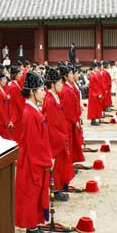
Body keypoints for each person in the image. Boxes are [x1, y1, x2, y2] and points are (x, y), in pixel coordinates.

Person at [15, 71, 52, 233]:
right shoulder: (29, 113)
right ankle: (31, 230)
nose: (44, 92)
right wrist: (46, 161)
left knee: (37, 194)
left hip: (37, 160)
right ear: (32, 92)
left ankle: (36, 226)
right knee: (32, 194)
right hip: (32, 162)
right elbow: (34, 143)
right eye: (41, 89)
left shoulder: (33, 109)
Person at [43, 67, 71, 201]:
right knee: (56, 167)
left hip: (60, 136)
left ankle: (58, 188)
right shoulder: (50, 100)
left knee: (60, 166)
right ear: (53, 85)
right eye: (60, 83)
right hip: (55, 139)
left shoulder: (55, 97)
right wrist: (61, 139)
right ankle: (54, 189)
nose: (62, 85)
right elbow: (52, 125)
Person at [9, 66, 25, 142]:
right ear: (15, 75)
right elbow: (18, 102)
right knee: (18, 134)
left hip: (17, 111)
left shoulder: (15, 84)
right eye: (19, 74)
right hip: (17, 113)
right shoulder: (14, 87)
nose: (20, 75)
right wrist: (23, 111)